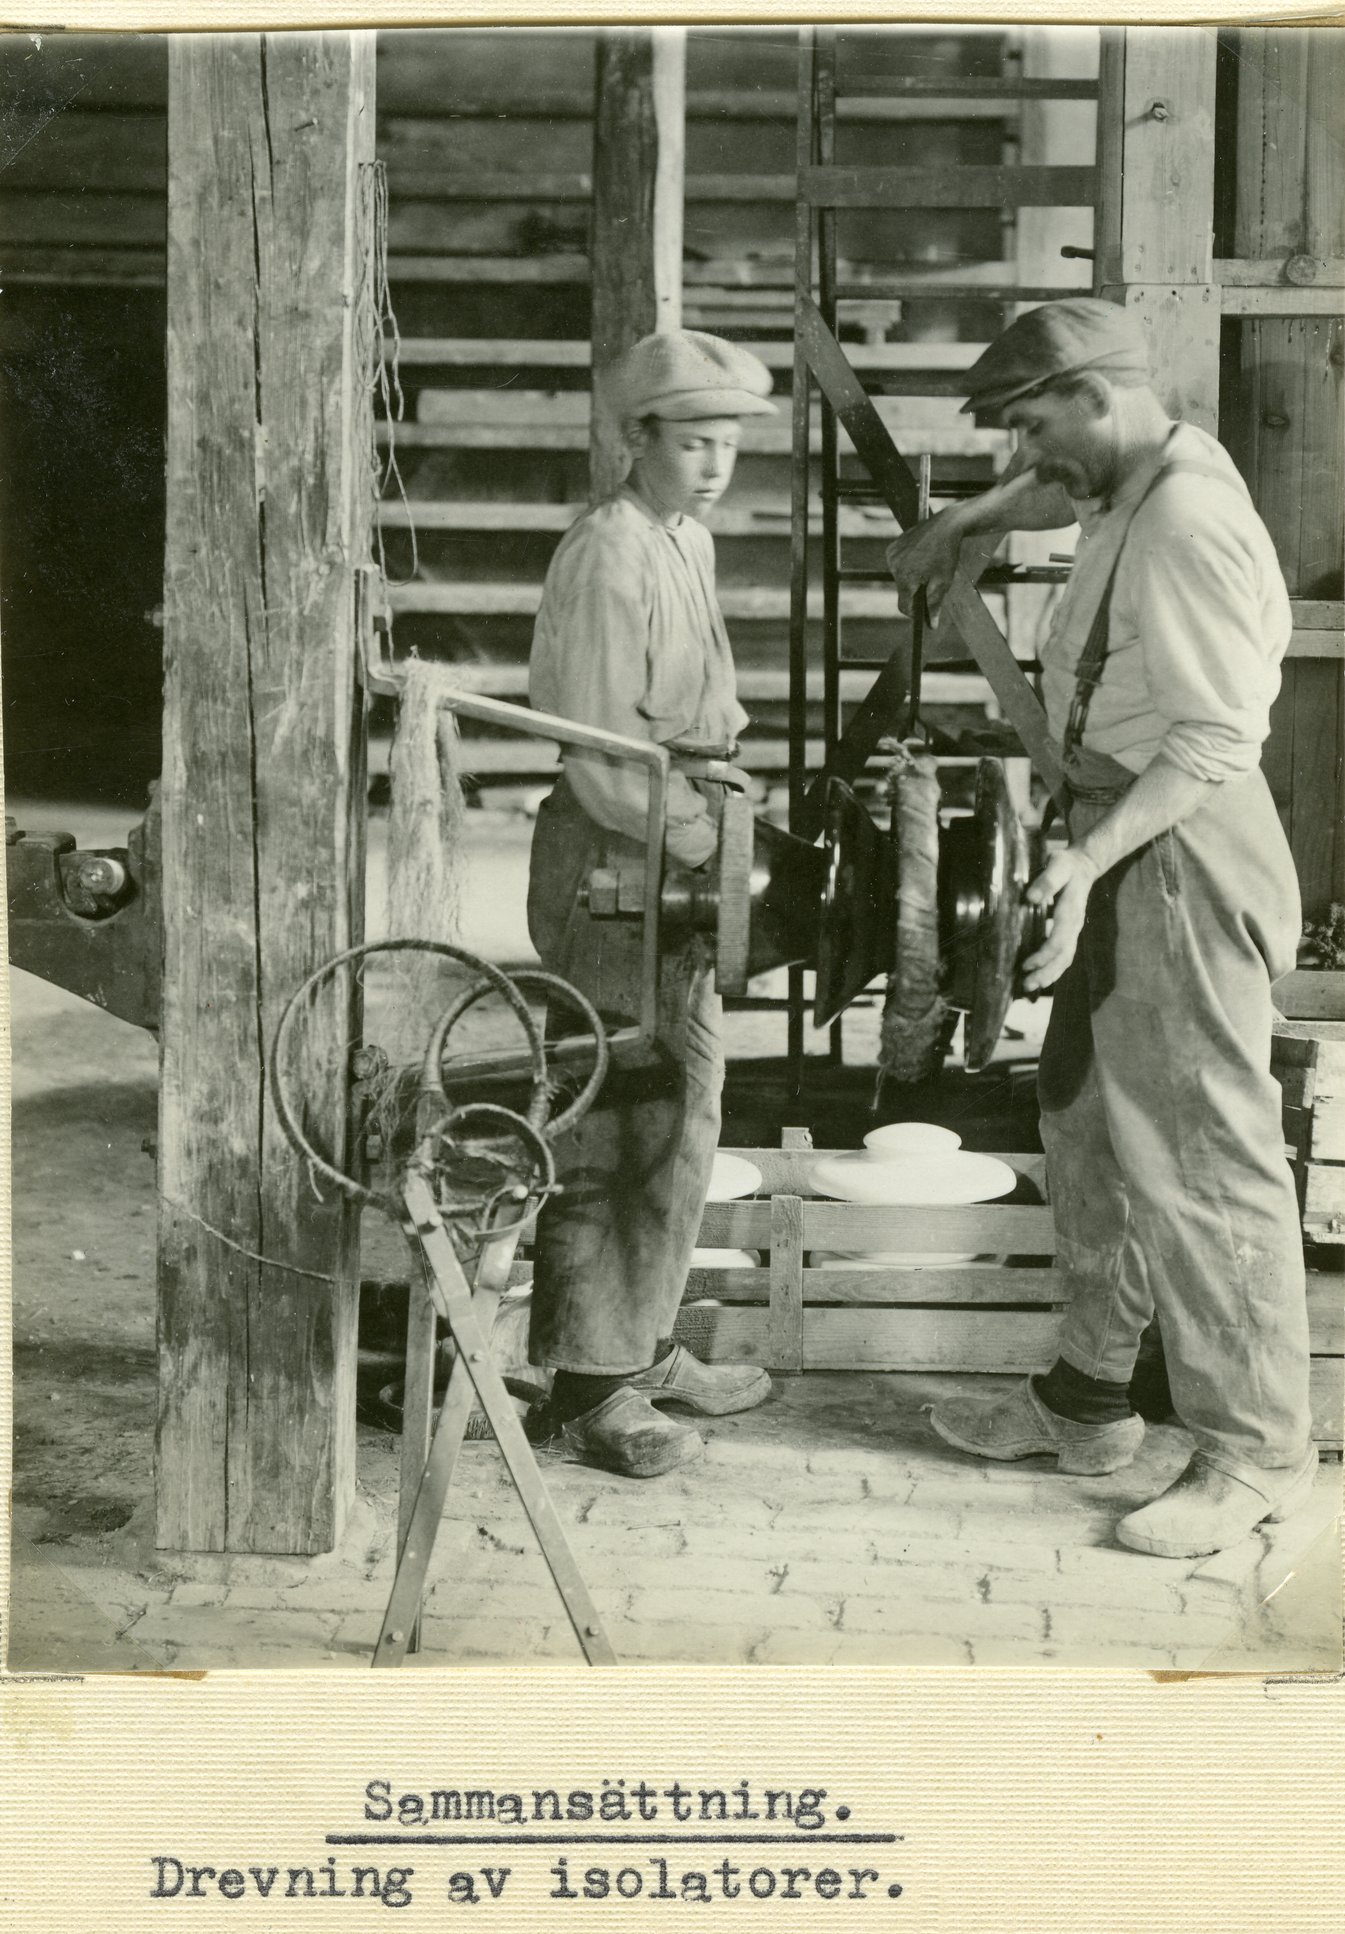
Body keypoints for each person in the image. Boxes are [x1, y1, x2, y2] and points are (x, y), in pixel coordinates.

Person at [885, 298, 1317, 1558]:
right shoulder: (1146, 465)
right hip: (1118, 840)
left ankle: (1254, 1453)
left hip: (1173, 846)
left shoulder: (1183, 524)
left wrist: (1081, 858)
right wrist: (961, 521)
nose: (1030, 459)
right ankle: (1086, 1400)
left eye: (1034, 427)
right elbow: (1049, 494)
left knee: (1201, 1156)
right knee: (1085, 1124)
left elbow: (1214, 743)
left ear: (1093, 393)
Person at [525, 330, 776, 1479]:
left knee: (687, 1114)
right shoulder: (607, 556)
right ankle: (588, 1388)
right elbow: (597, 759)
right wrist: (708, 843)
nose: (715, 463)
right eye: (693, 442)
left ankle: (644, 1344)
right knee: (620, 1118)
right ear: (637, 439)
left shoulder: (689, 540)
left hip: (681, 847)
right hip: (616, 862)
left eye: (728, 443)